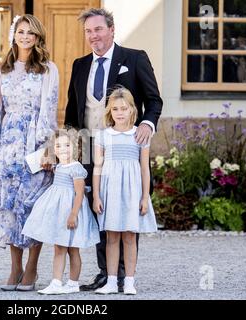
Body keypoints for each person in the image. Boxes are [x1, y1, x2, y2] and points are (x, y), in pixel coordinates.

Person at [64, 8, 162, 292]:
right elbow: (73, 110)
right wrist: (70, 145)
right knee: (98, 206)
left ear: (111, 29)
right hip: (89, 146)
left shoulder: (134, 58)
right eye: (88, 31)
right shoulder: (80, 64)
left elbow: (154, 100)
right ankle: (106, 274)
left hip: (126, 146)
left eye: (97, 29)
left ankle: (125, 275)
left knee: (128, 202)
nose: (93, 36)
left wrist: (146, 124)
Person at [0, 14, 59, 291]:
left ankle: (33, 268)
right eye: (21, 31)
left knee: (33, 206)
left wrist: (49, 149)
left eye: (31, 33)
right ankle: (14, 268)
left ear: (38, 38)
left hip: (36, 145)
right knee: (11, 208)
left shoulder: (48, 69)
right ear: (14, 35)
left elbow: (49, 109)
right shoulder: (2, 70)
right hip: (9, 145)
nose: (25, 37)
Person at [92, 87, 157, 295]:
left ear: (132, 110)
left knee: (129, 236)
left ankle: (129, 281)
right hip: (109, 190)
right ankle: (111, 281)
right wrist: (96, 196)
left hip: (132, 190)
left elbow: (145, 168)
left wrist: (145, 197)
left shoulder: (140, 135)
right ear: (109, 112)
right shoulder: (103, 136)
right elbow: (98, 167)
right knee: (111, 237)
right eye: (115, 109)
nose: (120, 113)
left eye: (124, 108)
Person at [22, 129, 100, 294]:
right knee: (59, 247)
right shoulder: (59, 166)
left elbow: (79, 193)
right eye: (58, 146)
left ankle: (72, 283)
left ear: (75, 147)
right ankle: (56, 283)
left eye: (67, 145)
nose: (63, 149)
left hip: (71, 213)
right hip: (59, 213)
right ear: (53, 149)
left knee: (73, 249)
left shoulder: (76, 168)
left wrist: (73, 214)